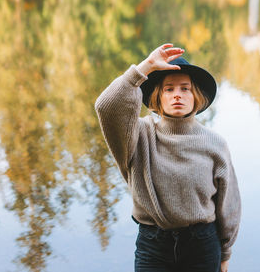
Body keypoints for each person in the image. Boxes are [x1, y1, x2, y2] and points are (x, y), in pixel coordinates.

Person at [94, 43, 241, 272]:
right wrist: (146, 67)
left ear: (196, 96)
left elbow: (228, 206)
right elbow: (106, 106)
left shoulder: (215, 143)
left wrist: (225, 253)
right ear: (158, 97)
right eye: (169, 89)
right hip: (153, 247)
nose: (177, 96)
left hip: (202, 246)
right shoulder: (137, 136)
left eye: (185, 88)